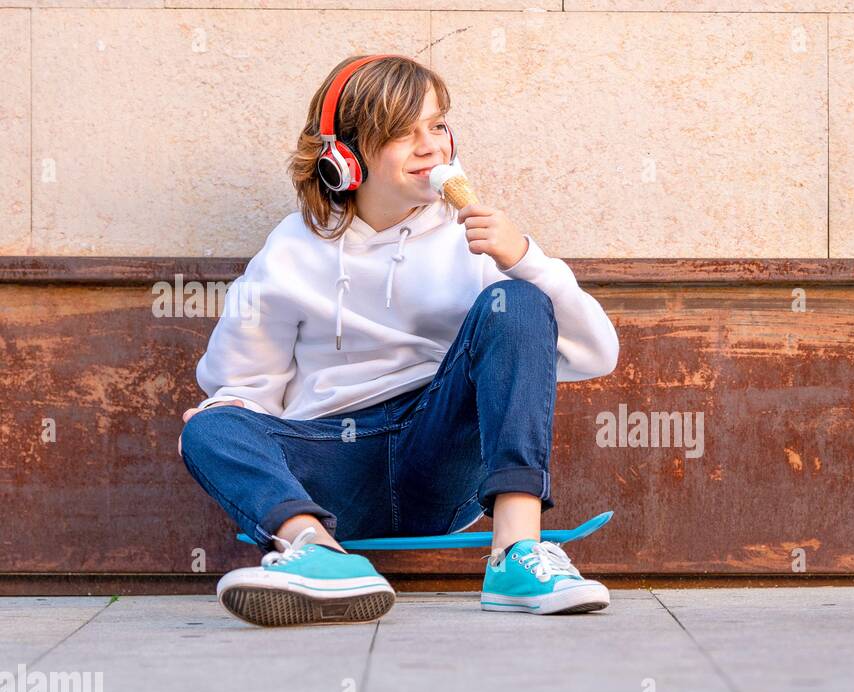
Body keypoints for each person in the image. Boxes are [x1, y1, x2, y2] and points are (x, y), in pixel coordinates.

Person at [178, 54, 619, 626]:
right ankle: (319, 555)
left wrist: (525, 260)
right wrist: (229, 420)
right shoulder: (288, 252)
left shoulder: (473, 242)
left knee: (518, 299)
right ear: (344, 158)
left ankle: (515, 552)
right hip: (331, 466)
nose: (431, 147)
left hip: (437, 455)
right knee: (208, 426)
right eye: (402, 133)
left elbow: (596, 353)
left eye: (437, 125)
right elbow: (244, 384)